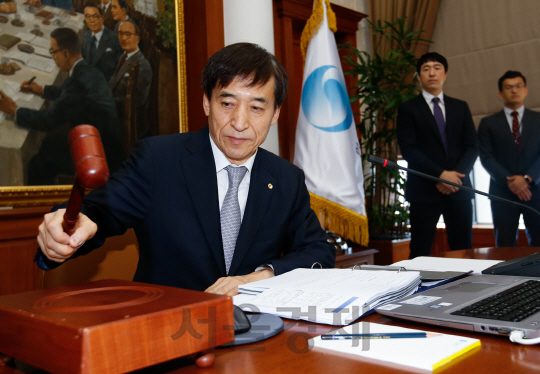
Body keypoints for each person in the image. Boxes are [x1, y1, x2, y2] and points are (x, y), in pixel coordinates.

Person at [35, 42, 335, 296]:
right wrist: (71, 227)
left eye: (257, 108)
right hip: (168, 331)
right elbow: (100, 210)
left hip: (255, 334)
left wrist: (257, 279)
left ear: (275, 114)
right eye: (227, 103)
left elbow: (318, 252)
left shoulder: (285, 178)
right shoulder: (159, 160)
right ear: (206, 103)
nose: (240, 123)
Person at [0, 28, 122, 185]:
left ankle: (42, 205)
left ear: (65, 53)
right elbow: (70, 95)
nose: (53, 57)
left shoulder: (76, 82)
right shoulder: (86, 69)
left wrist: (13, 110)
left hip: (98, 153)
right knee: (46, 145)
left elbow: (48, 121)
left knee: (36, 163)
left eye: (53, 51)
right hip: (104, 140)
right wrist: (42, 90)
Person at [396, 52, 478, 258]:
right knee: (420, 250)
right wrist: (440, 175)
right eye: (426, 69)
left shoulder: (461, 107)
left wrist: (454, 177)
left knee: (463, 248)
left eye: (437, 68)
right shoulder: (408, 108)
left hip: (458, 190)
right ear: (418, 76)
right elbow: (409, 149)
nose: (432, 73)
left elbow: (472, 147)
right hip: (423, 190)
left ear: (445, 74)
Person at [478, 71, 540, 247]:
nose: (514, 91)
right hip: (502, 193)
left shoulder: (538, 120)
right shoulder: (488, 123)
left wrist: (527, 178)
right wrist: (511, 182)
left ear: (526, 90)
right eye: (508, 87)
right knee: (504, 245)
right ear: (500, 93)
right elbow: (486, 157)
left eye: (518, 86)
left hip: (535, 191)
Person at [110, 20, 152, 139]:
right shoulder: (124, 57)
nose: (123, 38)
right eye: (120, 33)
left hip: (129, 121)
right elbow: (113, 84)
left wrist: (107, 102)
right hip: (115, 110)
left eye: (128, 34)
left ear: (137, 38)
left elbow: (136, 102)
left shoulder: (143, 66)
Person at [82, 4, 122, 81]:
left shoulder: (115, 39)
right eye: (88, 17)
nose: (92, 20)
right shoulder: (87, 35)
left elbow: (120, 67)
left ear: (102, 19)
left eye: (95, 16)